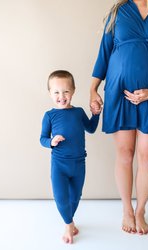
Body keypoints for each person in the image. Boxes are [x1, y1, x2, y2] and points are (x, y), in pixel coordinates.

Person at [90, 0, 148, 235]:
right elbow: (104, 51)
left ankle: (140, 210)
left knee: (147, 157)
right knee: (125, 154)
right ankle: (127, 210)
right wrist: (93, 89)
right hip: (119, 92)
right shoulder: (118, 12)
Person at [40, 70, 100, 244]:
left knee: (75, 196)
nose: (61, 96)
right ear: (50, 93)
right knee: (61, 197)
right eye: (56, 92)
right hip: (59, 164)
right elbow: (42, 139)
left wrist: (96, 114)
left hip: (79, 163)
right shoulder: (49, 115)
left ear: (73, 91)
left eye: (66, 91)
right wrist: (51, 141)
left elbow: (91, 128)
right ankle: (68, 224)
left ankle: (69, 221)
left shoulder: (78, 112)